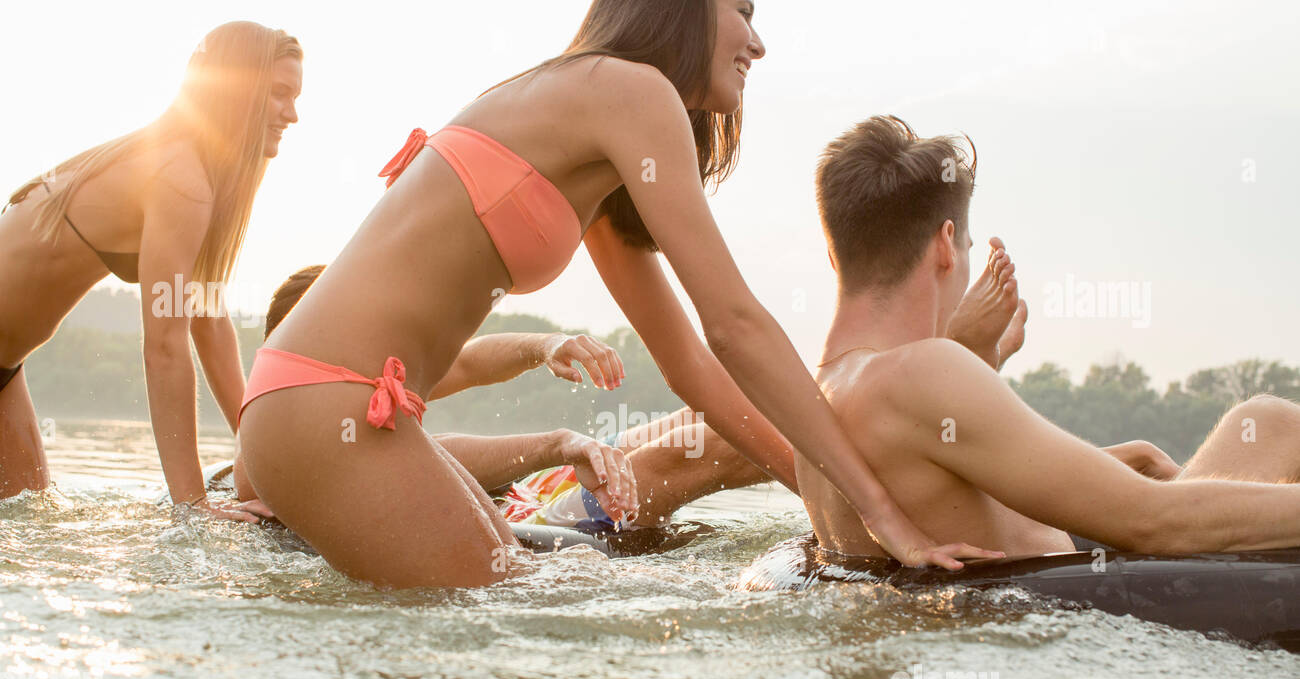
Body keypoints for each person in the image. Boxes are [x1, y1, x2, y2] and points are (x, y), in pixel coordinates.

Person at [237, 0, 1011, 589]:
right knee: (511, 617)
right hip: (327, 405)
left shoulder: (599, 129)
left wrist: (822, 497)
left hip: (331, 410)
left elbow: (692, 369)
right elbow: (735, 324)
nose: (758, 40)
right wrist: (876, 509)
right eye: (741, 9)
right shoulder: (630, 92)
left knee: (526, 594)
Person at [799, 115, 1300, 558]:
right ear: (946, 246)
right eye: (968, 248)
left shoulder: (811, 399)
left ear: (833, 254)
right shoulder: (922, 370)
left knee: (1260, 425)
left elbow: (955, 485)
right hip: (1089, 622)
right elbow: (1151, 522)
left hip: (982, 615)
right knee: (1272, 422)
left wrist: (977, 354)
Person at [0, 21, 302, 521]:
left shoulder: (196, 175)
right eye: (279, 94)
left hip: (8, 371)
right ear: (238, 89)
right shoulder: (180, 177)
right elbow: (164, 345)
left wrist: (262, 458)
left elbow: (209, 323)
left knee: (29, 515)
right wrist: (193, 506)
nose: (292, 113)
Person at [232, 265, 767, 531]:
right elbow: (432, 456)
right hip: (529, 533)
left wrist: (546, 345)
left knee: (708, 409)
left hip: (520, 497)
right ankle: (849, 457)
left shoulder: (365, 375)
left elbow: (466, 359)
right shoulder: (274, 441)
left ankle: (837, 419)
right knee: (708, 442)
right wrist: (559, 443)